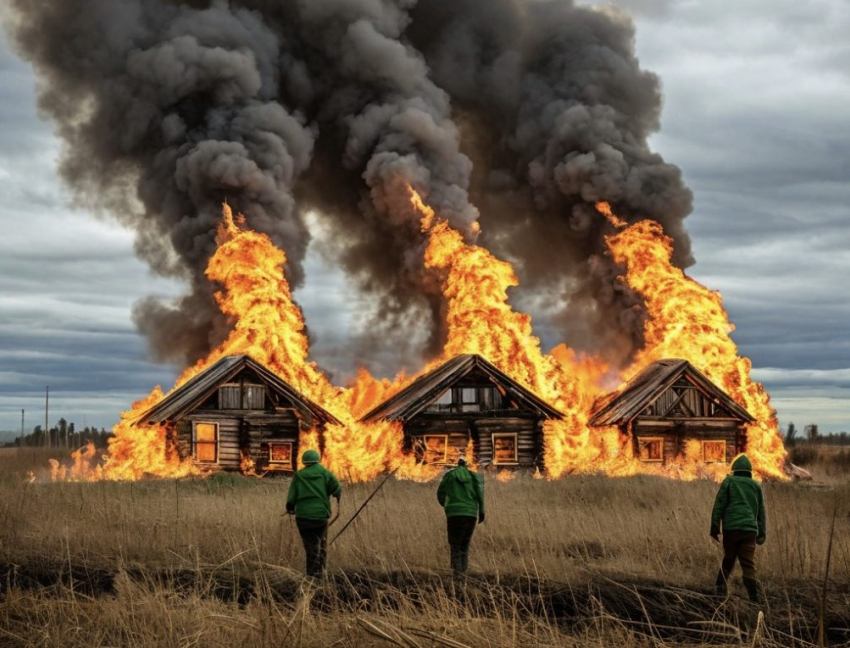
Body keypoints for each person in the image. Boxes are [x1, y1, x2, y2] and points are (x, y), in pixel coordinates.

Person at [710, 453, 767, 602]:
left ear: (735, 469)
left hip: (731, 528)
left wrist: (714, 527)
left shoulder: (729, 481)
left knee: (728, 559)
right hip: (750, 531)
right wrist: (761, 533)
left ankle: (718, 591)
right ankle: (754, 598)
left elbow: (719, 505)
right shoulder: (756, 485)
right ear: (749, 471)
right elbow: (761, 511)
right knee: (748, 564)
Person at [286, 449, 341, 578]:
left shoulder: (299, 476)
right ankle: (321, 574)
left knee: (310, 547)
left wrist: (290, 507)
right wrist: (336, 496)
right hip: (321, 517)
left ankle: (311, 576)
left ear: (304, 461)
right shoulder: (324, 473)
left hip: (303, 518)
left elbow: (291, 499)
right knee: (322, 545)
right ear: (318, 459)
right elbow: (337, 487)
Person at [437, 457, 485, 578]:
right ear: (467, 465)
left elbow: (441, 492)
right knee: (465, 544)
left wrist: (446, 505)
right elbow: (480, 495)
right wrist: (481, 511)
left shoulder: (450, 475)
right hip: (471, 514)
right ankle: (463, 572)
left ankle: (457, 575)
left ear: (457, 465)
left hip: (454, 514)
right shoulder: (475, 477)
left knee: (455, 544)